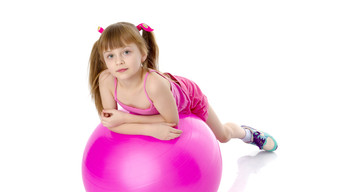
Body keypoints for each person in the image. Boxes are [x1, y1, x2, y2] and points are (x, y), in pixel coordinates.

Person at [89, 22, 278, 151]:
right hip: (163, 107)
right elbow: (111, 124)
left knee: (223, 136)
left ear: (143, 55)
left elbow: (171, 121)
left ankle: (247, 133)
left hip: (188, 96)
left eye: (126, 52)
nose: (119, 61)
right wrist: (148, 129)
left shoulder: (154, 85)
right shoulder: (106, 80)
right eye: (110, 56)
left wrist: (125, 118)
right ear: (104, 60)